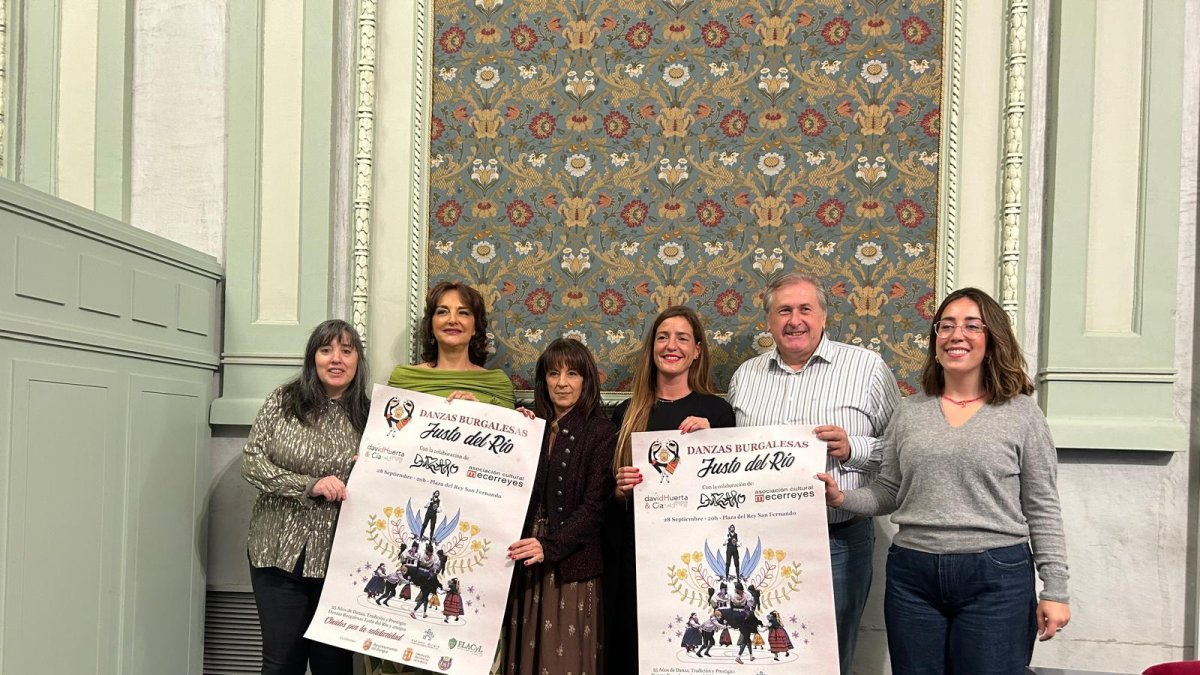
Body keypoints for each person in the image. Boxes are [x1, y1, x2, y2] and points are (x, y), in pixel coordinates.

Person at [817, 287, 1071, 674]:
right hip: (912, 576)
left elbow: (1042, 507)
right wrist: (842, 499)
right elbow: (889, 491)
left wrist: (1055, 589)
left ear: (993, 338)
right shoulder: (909, 411)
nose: (956, 335)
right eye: (946, 326)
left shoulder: (1022, 414)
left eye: (972, 326)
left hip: (996, 576)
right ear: (935, 340)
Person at [727, 272, 899, 675]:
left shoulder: (867, 369)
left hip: (838, 540)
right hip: (764, 543)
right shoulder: (744, 377)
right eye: (784, 310)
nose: (795, 320)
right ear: (768, 321)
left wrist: (853, 448)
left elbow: (901, 450)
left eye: (805, 309)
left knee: (828, 657)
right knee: (764, 656)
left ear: (823, 316)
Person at [604, 306, 736, 675]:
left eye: (682, 338)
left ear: (697, 350)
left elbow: (732, 495)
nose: (671, 345)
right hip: (636, 558)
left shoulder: (718, 413)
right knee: (634, 653)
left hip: (691, 558)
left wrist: (714, 442)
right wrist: (620, 490)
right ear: (652, 348)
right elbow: (610, 499)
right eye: (662, 337)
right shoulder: (627, 412)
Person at [242, 319, 371, 675]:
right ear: (313, 358)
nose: (336, 359)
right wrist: (308, 485)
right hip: (277, 554)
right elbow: (252, 463)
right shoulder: (283, 401)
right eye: (326, 350)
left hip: (340, 563)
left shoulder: (373, 415)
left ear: (358, 360)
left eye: (347, 351)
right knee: (282, 664)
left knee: (335, 667)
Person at [504, 338, 616, 675]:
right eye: (553, 373)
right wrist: (514, 433)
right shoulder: (531, 427)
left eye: (572, 374)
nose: (562, 383)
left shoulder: (602, 432)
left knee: (562, 659)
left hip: (572, 564)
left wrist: (549, 546)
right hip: (524, 558)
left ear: (586, 380)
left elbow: (595, 509)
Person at [387, 281, 515, 408]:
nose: (452, 320)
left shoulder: (497, 384)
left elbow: (508, 421)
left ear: (475, 327)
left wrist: (477, 412)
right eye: (442, 312)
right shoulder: (403, 379)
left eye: (463, 313)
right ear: (431, 325)